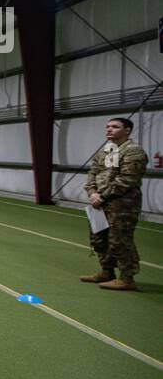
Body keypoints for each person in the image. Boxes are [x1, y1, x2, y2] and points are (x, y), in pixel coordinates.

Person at [81, 116, 148, 291]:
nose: (109, 129)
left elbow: (127, 179)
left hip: (122, 204)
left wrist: (101, 196)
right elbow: (93, 173)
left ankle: (127, 278)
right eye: (107, 126)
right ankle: (107, 271)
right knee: (99, 238)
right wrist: (92, 192)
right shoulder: (107, 150)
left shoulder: (133, 151)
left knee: (119, 240)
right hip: (99, 203)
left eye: (114, 127)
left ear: (127, 130)